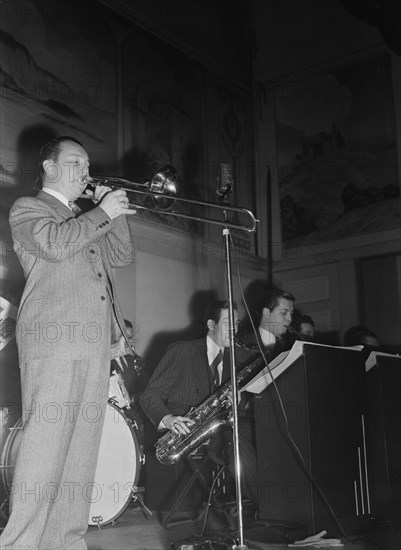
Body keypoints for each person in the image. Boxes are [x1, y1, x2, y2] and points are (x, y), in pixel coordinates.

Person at [0, 136, 136, 550]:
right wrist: (101, 212)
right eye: (75, 161)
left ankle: (67, 541)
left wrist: (116, 210)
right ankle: (20, 544)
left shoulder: (86, 215)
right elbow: (54, 246)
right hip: (54, 342)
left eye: (87, 162)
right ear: (49, 167)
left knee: (80, 452)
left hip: (94, 346)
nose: (85, 169)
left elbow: (122, 256)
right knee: (44, 450)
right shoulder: (29, 208)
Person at [139, 300, 259, 512]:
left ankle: (259, 504)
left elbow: (237, 407)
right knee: (239, 440)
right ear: (211, 325)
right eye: (228, 323)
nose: (235, 330)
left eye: (238, 324)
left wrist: (236, 403)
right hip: (187, 432)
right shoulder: (181, 351)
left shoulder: (236, 358)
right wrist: (168, 419)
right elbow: (150, 396)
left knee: (262, 434)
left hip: (218, 431)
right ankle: (264, 506)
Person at [238, 287, 296, 358]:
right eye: (284, 313)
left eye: (291, 314)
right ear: (266, 313)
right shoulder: (243, 345)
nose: (289, 319)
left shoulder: (291, 345)